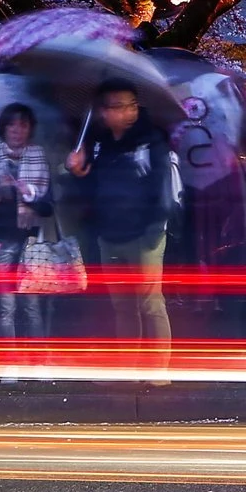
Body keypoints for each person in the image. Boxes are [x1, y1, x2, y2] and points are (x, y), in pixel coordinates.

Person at [67, 80, 176, 364]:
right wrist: (77, 172)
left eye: (131, 105)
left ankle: (158, 370)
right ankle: (129, 366)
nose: (127, 112)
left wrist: (154, 230)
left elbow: (162, 185)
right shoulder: (98, 143)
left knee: (150, 303)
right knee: (122, 305)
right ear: (103, 111)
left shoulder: (151, 139)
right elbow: (89, 190)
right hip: (109, 232)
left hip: (145, 233)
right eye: (118, 106)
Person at [0, 103, 52, 343]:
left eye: (23, 124)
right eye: (12, 124)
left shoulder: (38, 156)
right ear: (3, 127)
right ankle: (9, 363)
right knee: (5, 304)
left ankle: (39, 362)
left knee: (32, 303)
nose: (17, 130)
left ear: (31, 128)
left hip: (30, 239)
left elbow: (48, 206)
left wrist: (27, 192)